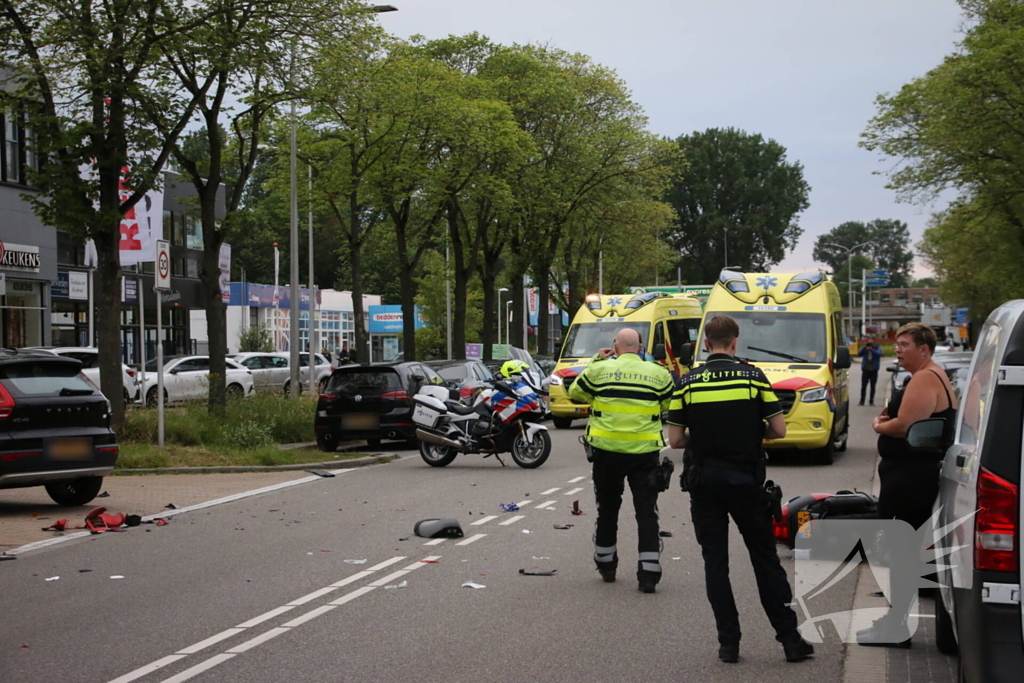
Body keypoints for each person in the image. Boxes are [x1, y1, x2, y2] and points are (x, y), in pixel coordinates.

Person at [667, 315, 814, 664]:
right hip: (746, 482)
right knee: (765, 560)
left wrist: (701, 439)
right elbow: (778, 430)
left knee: (715, 564)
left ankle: (728, 644)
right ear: (735, 342)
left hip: (704, 482)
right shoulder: (754, 377)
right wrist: (748, 434)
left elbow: (675, 440)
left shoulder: (687, 383)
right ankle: (790, 640)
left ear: (705, 344)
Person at [857, 322, 958, 648]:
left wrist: (878, 426)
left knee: (901, 552)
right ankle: (895, 619)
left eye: (904, 345)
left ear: (923, 349)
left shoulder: (926, 377)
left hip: (910, 479)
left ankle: (897, 625)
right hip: (911, 476)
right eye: (897, 344)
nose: (898, 349)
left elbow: (905, 426)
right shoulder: (932, 375)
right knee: (906, 551)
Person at [568, 328, 674, 594]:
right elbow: (668, 404)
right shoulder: (659, 374)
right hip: (644, 453)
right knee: (647, 512)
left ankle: (606, 564)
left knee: (608, 508)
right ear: (640, 348)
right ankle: (648, 574)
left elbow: (576, 393)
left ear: (615, 347)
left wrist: (596, 362)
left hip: (606, 453)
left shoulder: (600, 370)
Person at [857, 341, 883, 406]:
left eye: (871, 344)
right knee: (863, 387)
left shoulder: (877, 348)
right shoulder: (865, 349)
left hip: (874, 370)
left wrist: (872, 350)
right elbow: (859, 354)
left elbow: (879, 354)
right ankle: (862, 401)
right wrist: (864, 348)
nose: (869, 346)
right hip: (865, 370)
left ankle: (871, 401)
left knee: (873, 386)